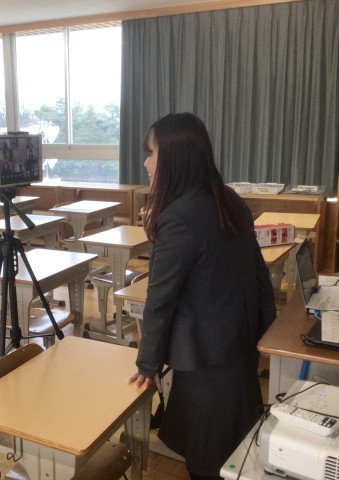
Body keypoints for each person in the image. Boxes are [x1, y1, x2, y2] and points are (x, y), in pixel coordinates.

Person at [128, 112, 276, 480]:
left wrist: (148, 364)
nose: (146, 163)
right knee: (233, 450)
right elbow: (259, 275)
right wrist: (264, 334)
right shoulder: (229, 199)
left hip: (205, 359)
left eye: (151, 153)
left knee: (208, 459)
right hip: (237, 346)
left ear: (173, 157)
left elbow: (160, 301)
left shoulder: (178, 217)